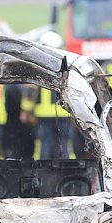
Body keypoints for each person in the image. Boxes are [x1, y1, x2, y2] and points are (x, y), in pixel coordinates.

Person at [34, 31, 72, 159]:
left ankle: (43, 167)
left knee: (45, 144)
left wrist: (27, 110)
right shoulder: (66, 66)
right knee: (64, 144)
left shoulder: (38, 65)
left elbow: (31, 91)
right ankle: (67, 166)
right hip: (63, 112)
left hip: (44, 114)